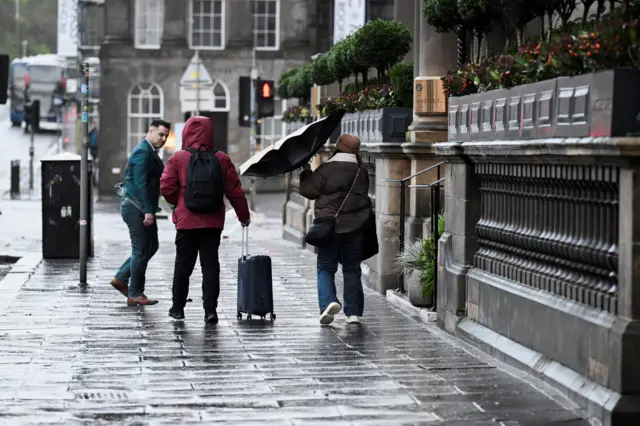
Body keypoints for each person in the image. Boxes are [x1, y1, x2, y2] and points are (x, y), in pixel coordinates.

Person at [160, 116, 250, 324]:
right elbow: (235, 191)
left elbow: (165, 186)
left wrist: (179, 201)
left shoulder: (178, 158)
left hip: (186, 221)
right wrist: (243, 216)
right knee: (210, 265)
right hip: (212, 222)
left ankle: (178, 308)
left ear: (187, 132)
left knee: (183, 265)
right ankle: (210, 310)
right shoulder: (222, 159)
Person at [299, 134, 374, 325]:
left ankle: (327, 303)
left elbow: (309, 191)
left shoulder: (326, 169)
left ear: (338, 147)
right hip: (356, 226)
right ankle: (354, 313)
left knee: (325, 266)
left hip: (329, 225)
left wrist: (306, 171)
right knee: (351, 268)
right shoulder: (361, 172)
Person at [110, 119, 170, 306]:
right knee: (141, 248)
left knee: (151, 246)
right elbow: (141, 183)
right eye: (160, 134)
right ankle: (135, 292)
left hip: (140, 207)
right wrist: (148, 211)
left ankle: (121, 278)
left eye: (166, 135)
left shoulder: (150, 152)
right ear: (150, 132)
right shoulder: (143, 152)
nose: (163, 138)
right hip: (136, 208)